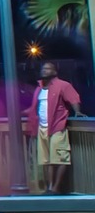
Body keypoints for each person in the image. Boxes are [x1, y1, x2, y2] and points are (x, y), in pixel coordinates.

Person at [27, 61, 82, 195]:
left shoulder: (63, 85)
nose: (44, 71)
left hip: (57, 125)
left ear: (54, 72)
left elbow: (74, 99)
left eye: (48, 69)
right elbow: (36, 107)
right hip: (42, 127)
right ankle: (49, 188)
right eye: (43, 68)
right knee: (46, 160)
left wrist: (78, 112)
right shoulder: (39, 88)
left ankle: (56, 188)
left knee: (60, 157)